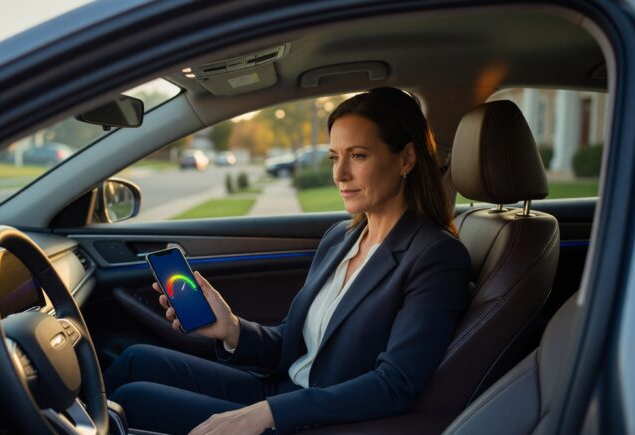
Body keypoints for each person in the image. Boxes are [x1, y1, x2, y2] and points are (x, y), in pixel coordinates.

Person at [106, 87, 471, 435]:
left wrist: (269, 414)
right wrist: (231, 328)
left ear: (406, 158)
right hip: (279, 389)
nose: (339, 174)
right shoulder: (341, 237)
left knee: (131, 401)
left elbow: (396, 385)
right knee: (135, 358)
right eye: (334, 157)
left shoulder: (436, 257)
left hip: (315, 418)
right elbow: (291, 342)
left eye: (358, 156)